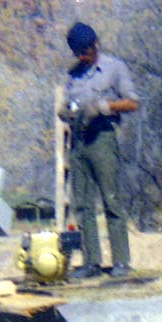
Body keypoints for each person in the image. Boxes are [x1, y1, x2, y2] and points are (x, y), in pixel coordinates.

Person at [59, 22, 138, 279]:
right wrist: (65, 110)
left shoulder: (114, 68)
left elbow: (132, 102)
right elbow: (65, 104)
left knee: (111, 200)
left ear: (95, 45)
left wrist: (104, 107)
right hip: (79, 140)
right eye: (78, 54)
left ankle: (121, 262)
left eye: (86, 52)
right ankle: (91, 262)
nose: (83, 57)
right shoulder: (73, 74)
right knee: (82, 203)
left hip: (103, 136)